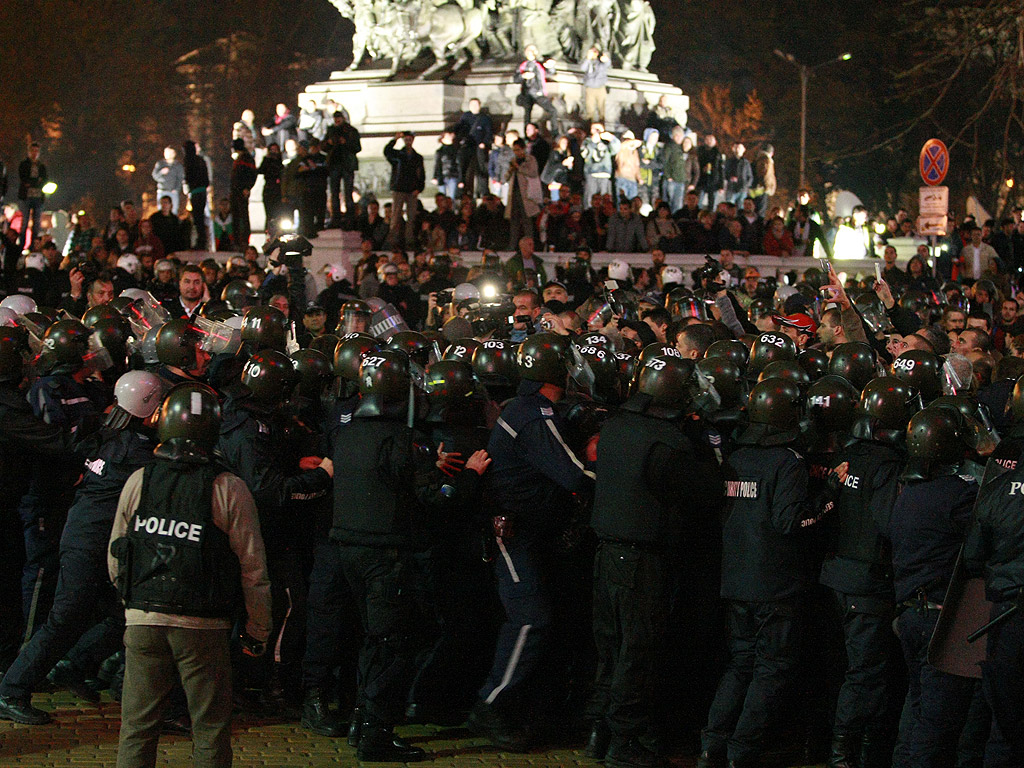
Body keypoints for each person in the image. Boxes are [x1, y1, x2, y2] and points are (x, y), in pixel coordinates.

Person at [331, 350, 489, 760]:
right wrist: (470, 473)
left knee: (374, 640)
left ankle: (362, 722)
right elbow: (437, 498)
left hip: (350, 550)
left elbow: (382, 478)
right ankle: (377, 735)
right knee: (393, 644)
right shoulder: (405, 440)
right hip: (388, 556)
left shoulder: (347, 433)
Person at [108, 382, 271, 768]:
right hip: (204, 625)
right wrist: (258, 631)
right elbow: (253, 569)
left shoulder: (140, 480)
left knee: (136, 727)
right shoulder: (229, 488)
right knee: (210, 728)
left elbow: (117, 553)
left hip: (144, 619)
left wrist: (132, 604)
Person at [0, 372, 166, 725]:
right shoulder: (137, 452)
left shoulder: (107, 431)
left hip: (86, 538)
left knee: (119, 612)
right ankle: (11, 690)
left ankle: (73, 665)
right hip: (90, 545)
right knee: (64, 618)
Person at [587, 355, 723, 768]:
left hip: (607, 554)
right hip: (641, 561)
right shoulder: (667, 443)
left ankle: (601, 732)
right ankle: (625, 744)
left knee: (611, 650)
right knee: (636, 653)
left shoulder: (615, 426)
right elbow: (706, 491)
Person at [469, 334, 594, 751]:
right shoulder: (535, 416)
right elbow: (574, 474)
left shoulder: (527, 410)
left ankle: (520, 705)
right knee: (530, 617)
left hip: (527, 530)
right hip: (514, 531)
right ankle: (492, 703)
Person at [700, 378, 831, 768]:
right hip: (774, 586)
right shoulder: (788, 462)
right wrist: (829, 498)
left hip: (735, 579)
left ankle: (712, 746)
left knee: (740, 664)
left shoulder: (737, 457)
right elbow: (791, 522)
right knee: (771, 668)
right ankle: (743, 750)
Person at [384, 131, 425, 249]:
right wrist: (394, 140)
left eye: (409, 139)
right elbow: (387, 151)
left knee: (411, 217)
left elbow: (421, 174)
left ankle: (409, 241)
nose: (408, 142)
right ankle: (393, 241)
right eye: (406, 139)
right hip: (399, 188)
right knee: (396, 216)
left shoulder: (417, 157)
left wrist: (419, 188)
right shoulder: (398, 155)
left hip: (412, 189)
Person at [323, 111, 362, 227]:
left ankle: (350, 218)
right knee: (334, 193)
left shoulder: (351, 131)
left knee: (348, 192)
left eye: (339, 118)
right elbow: (324, 147)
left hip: (346, 165)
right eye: (335, 119)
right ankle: (336, 218)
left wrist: (346, 143)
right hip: (334, 164)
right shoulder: (331, 131)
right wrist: (329, 143)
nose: (337, 121)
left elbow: (357, 147)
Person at [505, 139, 541, 250]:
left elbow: (533, 172)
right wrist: (511, 170)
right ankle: (513, 245)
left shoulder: (530, 160)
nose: (516, 152)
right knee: (514, 221)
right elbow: (506, 177)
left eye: (518, 150)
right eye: (514, 150)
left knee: (527, 221)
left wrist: (519, 168)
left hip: (526, 194)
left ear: (523, 149)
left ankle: (530, 245)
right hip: (514, 194)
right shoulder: (513, 160)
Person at [515, 44, 559, 133]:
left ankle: (555, 132)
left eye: (533, 50)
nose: (531, 52)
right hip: (527, 94)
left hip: (539, 94)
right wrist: (523, 76)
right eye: (529, 50)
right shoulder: (522, 65)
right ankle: (527, 134)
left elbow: (551, 72)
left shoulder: (540, 64)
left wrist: (551, 67)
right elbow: (515, 79)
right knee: (527, 115)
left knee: (553, 110)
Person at [456, 98, 492, 199]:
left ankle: (483, 191)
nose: (474, 107)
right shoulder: (465, 117)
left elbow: (488, 132)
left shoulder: (484, 118)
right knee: (464, 167)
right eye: (472, 105)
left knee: (481, 168)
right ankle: (462, 190)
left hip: (478, 146)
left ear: (480, 106)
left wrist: (484, 143)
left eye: (476, 105)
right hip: (467, 146)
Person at [17, 143, 48, 251]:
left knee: (36, 224)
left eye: (36, 151)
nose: (34, 153)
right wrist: (36, 181)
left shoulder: (41, 166)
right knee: (24, 222)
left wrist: (32, 182)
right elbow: (24, 179)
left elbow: (44, 181)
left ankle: (33, 246)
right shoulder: (24, 164)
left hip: (38, 197)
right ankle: (21, 246)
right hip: (27, 197)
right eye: (32, 151)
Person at [662, 128, 699, 214]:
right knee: (669, 202)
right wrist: (668, 176)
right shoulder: (670, 147)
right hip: (673, 180)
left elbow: (696, 171)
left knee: (677, 204)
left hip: (681, 181)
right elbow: (665, 162)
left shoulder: (689, 154)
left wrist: (693, 183)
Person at [182, 141, 211, 250]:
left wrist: (189, 187)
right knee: (200, 217)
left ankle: (200, 242)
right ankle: (202, 241)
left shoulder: (188, 160)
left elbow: (188, 176)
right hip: (202, 191)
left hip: (195, 191)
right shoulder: (201, 160)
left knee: (197, 217)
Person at [230, 138, 257, 248]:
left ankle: (243, 240)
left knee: (242, 216)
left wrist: (246, 187)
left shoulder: (245, 158)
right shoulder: (242, 158)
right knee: (238, 216)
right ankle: (238, 241)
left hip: (240, 191)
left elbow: (251, 174)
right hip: (236, 191)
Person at [151, 147, 184, 215]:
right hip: (162, 190)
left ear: (174, 154)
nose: (167, 154)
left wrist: (176, 189)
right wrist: (161, 172)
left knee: (174, 210)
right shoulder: (160, 164)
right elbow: (155, 175)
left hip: (173, 192)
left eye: (169, 152)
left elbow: (180, 178)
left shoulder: (177, 165)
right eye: (166, 152)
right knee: (161, 210)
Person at [582, 46, 611, 123]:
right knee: (589, 109)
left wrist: (606, 59)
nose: (593, 54)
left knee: (601, 109)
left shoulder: (601, 63)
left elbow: (607, 63)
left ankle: (602, 126)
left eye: (595, 52)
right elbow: (582, 68)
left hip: (600, 88)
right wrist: (588, 59)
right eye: (591, 52)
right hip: (590, 88)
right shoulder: (588, 62)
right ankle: (589, 127)